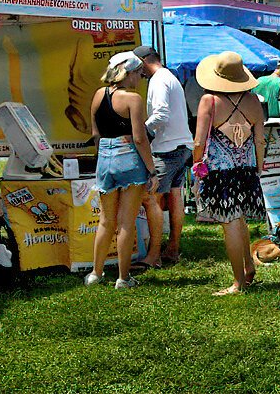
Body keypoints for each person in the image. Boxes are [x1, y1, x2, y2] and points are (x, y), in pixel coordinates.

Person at [190, 51, 266, 296]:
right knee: (240, 219)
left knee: (230, 223)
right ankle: (247, 267)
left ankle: (238, 283)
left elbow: (199, 141)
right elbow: (260, 140)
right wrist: (259, 166)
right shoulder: (253, 100)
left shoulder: (209, 101)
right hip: (246, 170)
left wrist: (197, 166)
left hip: (221, 173)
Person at [86, 53, 157, 290]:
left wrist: (103, 157)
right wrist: (152, 170)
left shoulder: (98, 95)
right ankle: (123, 278)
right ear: (129, 73)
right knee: (127, 222)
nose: (140, 78)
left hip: (105, 158)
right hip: (129, 159)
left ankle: (96, 273)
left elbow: (95, 133)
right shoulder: (133, 99)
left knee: (105, 220)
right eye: (139, 74)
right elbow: (139, 138)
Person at [135, 45, 191, 267]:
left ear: (143, 61)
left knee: (153, 199)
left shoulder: (158, 80)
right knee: (175, 197)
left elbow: (160, 114)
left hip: (167, 147)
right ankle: (172, 249)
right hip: (181, 144)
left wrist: (143, 131)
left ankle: (154, 255)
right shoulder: (169, 76)